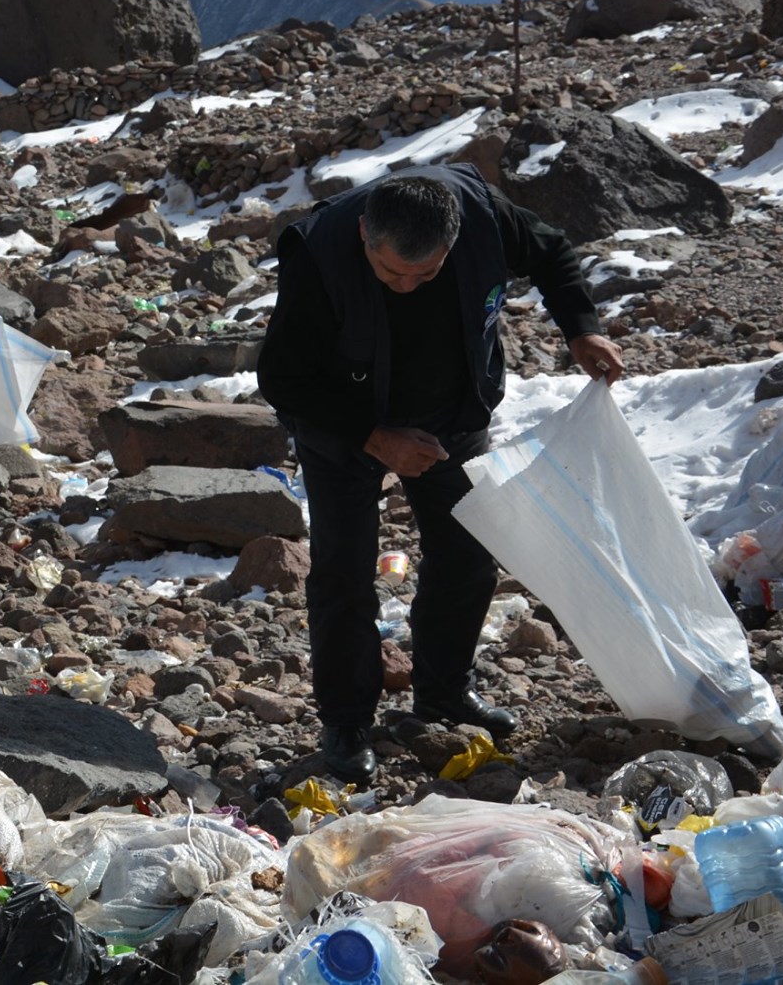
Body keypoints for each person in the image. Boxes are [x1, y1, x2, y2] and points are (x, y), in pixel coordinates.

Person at [257, 164, 624, 784]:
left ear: (452, 244)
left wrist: (581, 329)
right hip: (343, 426)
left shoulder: (483, 215)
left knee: (468, 556)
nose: (406, 287)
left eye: (425, 274)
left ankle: (444, 693)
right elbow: (283, 377)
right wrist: (376, 438)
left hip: (450, 416)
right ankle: (346, 722)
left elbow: (552, 252)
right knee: (344, 573)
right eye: (390, 273)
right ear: (366, 234)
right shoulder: (318, 254)